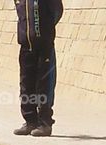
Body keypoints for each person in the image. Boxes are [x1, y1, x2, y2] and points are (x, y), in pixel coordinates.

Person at [13, 0, 64, 137]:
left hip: (44, 46)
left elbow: (57, 11)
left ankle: (45, 123)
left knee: (44, 85)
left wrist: (45, 31)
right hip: (25, 46)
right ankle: (30, 121)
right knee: (26, 84)